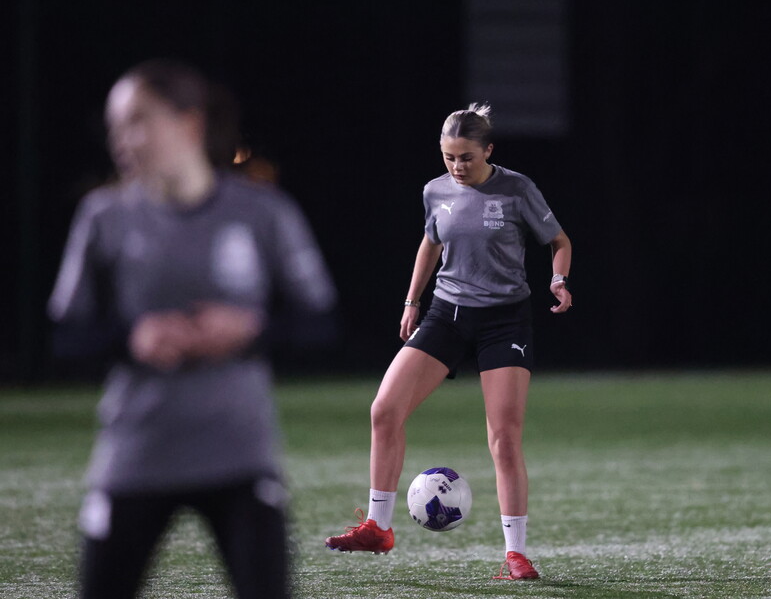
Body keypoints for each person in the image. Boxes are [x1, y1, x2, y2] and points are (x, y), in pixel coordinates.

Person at [47, 59, 338, 599]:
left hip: (239, 455)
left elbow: (320, 322)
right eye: (116, 126)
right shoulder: (103, 217)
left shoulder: (261, 212)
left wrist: (251, 330)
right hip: (135, 454)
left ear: (189, 123)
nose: (123, 139)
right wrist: (132, 339)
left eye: (138, 120)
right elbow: (66, 335)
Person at [325, 103, 572, 580]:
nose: (457, 167)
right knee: (384, 410)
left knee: (503, 440)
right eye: (448, 157)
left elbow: (559, 240)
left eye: (466, 157)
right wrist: (411, 302)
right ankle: (378, 527)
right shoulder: (435, 191)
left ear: (488, 151)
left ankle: (516, 554)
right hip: (447, 314)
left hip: (504, 320)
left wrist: (559, 280)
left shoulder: (517, 188)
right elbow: (430, 242)